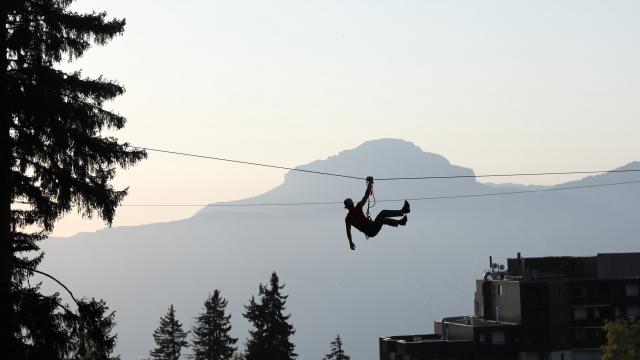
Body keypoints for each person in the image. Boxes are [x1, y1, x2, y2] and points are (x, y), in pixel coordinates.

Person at [344, 176, 410, 250]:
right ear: (352, 204)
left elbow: (348, 232)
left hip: (371, 230)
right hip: (371, 229)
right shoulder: (357, 208)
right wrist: (370, 183)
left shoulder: (348, 218)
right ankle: (403, 212)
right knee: (383, 213)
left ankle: (401, 221)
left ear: (347, 207)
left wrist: (350, 242)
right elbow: (366, 196)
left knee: (383, 219)